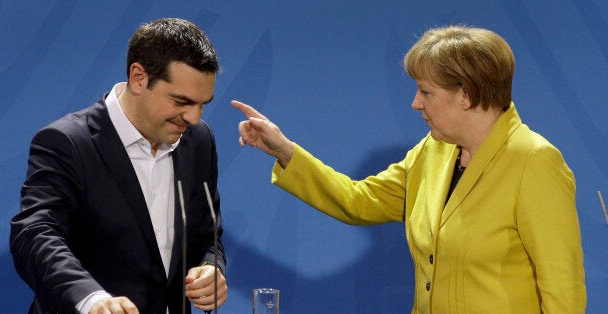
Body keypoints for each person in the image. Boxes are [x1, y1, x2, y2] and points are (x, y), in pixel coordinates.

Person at [232, 25, 586, 313]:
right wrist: (285, 151)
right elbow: (360, 201)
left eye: (426, 92)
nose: (416, 103)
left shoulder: (534, 161)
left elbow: (563, 291)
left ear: (465, 94)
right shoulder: (433, 150)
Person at [10, 18, 227, 313]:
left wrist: (211, 267)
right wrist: (92, 299)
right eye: (181, 101)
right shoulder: (67, 143)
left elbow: (207, 235)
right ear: (138, 77)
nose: (193, 117)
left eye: (203, 104)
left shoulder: (199, 140)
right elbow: (35, 234)